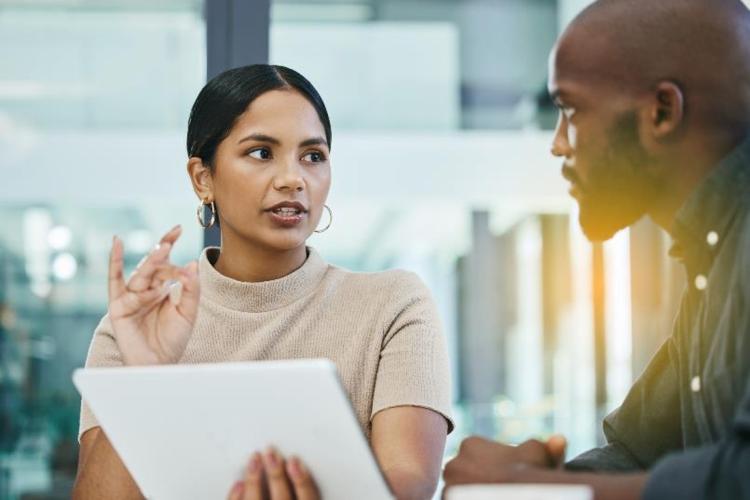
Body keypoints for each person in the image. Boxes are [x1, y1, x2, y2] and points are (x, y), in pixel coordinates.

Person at [72, 64, 453, 500]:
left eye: (313, 156)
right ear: (203, 178)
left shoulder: (394, 306)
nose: (293, 179)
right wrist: (144, 377)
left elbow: (409, 487)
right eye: (261, 153)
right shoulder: (137, 327)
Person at [443, 0, 750, 498]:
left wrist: (526, 485)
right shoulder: (710, 256)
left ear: (662, 112)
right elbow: (639, 449)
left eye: (570, 110)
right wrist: (535, 479)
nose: (559, 144)